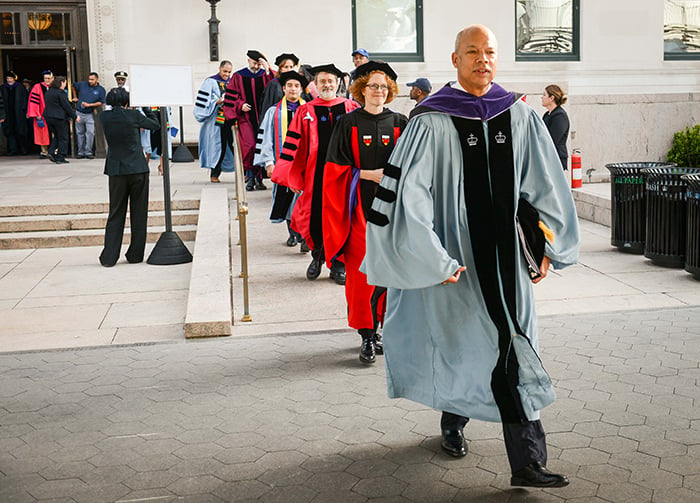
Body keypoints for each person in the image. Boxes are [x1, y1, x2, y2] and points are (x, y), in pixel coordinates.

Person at [362, 25, 579, 488]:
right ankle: (454, 420)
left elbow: (546, 185)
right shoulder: (430, 119)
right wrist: (430, 258)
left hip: (506, 260)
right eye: (473, 52)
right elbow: (408, 198)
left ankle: (526, 461)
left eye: (490, 52)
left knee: (512, 346)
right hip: (457, 260)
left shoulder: (518, 115)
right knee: (464, 344)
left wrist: (547, 245)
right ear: (455, 59)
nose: (483, 60)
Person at [323, 61, 407, 364]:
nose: (379, 91)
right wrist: (364, 174)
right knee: (362, 275)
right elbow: (333, 169)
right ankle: (367, 336)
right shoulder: (348, 123)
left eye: (384, 87)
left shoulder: (401, 121)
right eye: (373, 86)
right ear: (362, 90)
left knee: (391, 273)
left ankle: (383, 329)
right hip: (358, 209)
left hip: (393, 211)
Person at [271, 64, 359, 285]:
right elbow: (293, 146)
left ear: (338, 83)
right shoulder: (305, 111)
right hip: (316, 175)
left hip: (344, 176)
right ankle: (317, 257)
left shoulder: (351, 107)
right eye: (322, 81)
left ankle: (338, 264)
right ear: (316, 85)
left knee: (342, 219)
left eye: (331, 80)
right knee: (316, 219)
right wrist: (292, 176)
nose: (327, 84)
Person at [98, 87, 160, 267]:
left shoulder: (104, 117)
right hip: (138, 168)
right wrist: (146, 108)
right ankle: (135, 254)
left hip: (116, 169)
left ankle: (109, 256)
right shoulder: (133, 116)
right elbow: (154, 125)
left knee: (116, 212)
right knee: (139, 212)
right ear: (128, 102)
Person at [254, 70, 308, 248]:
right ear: (283, 88)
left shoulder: (309, 110)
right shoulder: (273, 112)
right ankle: (293, 233)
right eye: (290, 86)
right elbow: (266, 137)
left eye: (297, 86)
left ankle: (303, 234)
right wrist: (269, 162)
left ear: (301, 89)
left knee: (304, 200)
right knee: (285, 199)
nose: (293, 89)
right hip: (282, 163)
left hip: (306, 165)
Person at [224, 50, 274, 191]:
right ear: (248, 61)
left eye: (259, 64)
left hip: (262, 117)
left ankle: (259, 179)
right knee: (250, 146)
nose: (257, 67)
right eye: (254, 63)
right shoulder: (238, 76)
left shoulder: (265, 75)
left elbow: (274, 88)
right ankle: (250, 177)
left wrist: (267, 68)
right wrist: (240, 105)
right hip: (246, 118)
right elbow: (231, 96)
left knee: (261, 146)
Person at [194, 60, 235, 183]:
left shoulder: (232, 82)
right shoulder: (210, 82)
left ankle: (243, 173)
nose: (227, 74)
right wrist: (216, 101)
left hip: (231, 120)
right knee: (219, 146)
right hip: (217, 120)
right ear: (219, 69)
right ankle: (214, 173)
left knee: (234, 146)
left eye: (229, 72)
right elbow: (204, 100)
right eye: (225, 71)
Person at [72, 72, 106, 159]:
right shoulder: (83, 85)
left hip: (90, 113)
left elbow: (101, 102)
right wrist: (75, 97)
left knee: (90, 133)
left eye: (92, 79)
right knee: (79, 133)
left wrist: (90, 105)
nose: (90, 81)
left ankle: (88, 151)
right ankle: (80, 152)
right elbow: (73, 85)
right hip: (79, 112)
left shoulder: (100, 90)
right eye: (89, 79)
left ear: (97, 80)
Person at [44, 76, 77, 164]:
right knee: (63, 137)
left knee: (57, 136)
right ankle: (60, 157)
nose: (65, 85)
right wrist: (74, 116)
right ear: (61, 83)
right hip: (59, 118)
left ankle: (51, 152)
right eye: (65, 83)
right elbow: (66, 106)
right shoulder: (60, 93)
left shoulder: (48, 92)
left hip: (48, 117)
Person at [259, 53, 300, 120]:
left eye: (291, 67)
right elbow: (267, 106)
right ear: (280, 69)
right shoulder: (274, 84)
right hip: (278, 121)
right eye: (286, 67)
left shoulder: (298, 84)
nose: (289, 70)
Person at [541, 84, 570, 171]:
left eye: (544, 95)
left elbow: (553, 139)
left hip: (557, 158)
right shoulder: (546, 115)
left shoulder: (560, 116)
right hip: (547, 157)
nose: (542, 97)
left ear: (552, 98)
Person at [1, 71, 29, 155]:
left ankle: (24, 149)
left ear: (14, 79)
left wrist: (25, 111)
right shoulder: (2, 88)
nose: (9, 80)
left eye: (10, 78)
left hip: (19, 113)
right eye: (7, 78)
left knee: (21, 131)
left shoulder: (20, 87)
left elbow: (25, 100)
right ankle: (13, 150)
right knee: (10, 132)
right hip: (8, 113)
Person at [27, 70, 53, 159]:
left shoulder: (55, 86)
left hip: (53, 114)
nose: (47, 80)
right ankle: (44, 152)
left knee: (54, 132)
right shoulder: (37, 87)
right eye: (45, 78)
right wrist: (36, 113)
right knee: (42, 133)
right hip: (41, 114)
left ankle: (54, 150)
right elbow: (33, 101)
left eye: (49, 78)